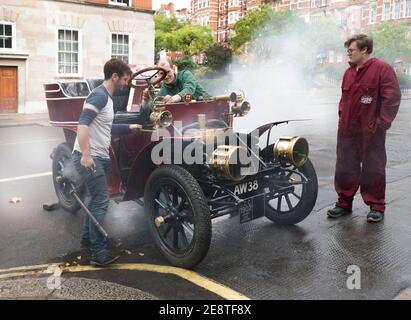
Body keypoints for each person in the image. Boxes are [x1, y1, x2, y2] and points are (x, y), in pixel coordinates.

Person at [72, 58, 141, 266]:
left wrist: (129, 129)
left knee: (95, 201)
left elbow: (106, 129)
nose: (126, 84)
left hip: (99, 157)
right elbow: (82, 125)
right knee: (101, 202)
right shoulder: (100, 95)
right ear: (114, 76)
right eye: (125, 79)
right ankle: (98, 253)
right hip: (90, 159)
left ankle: (87, 241)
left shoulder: (108, 100)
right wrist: (86, 155)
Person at [327, 34, 401, 223]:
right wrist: (342, 118)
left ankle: (376, 206)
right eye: (347, 51)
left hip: (371, 131)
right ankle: (344, 202)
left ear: (364, 50)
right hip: (347, 131)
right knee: (344, 166)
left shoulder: (382, 69)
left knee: (373, 167)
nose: (348, 54)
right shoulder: (348, 73)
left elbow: (391, 98)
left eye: (351, 51)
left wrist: (382, 123)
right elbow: (343, 100)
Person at [142, 57, 207, 107]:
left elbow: (189, 89)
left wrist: (173, 99)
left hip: (207, 106)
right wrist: (145, 102)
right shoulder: (163, 91)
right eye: (162, 73)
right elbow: (151, 110)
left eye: (168, 72)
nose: (166, 76)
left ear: (173, 69)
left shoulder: (185, 75)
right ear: (158, 74)